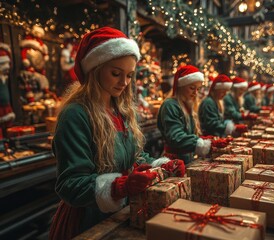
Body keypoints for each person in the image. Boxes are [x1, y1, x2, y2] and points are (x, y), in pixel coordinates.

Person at [49, 27, 184, 240]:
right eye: (116, 73)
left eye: (129, 75)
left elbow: (133, 157)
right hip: (87, 221)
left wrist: (159, 166)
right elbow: (70, 184)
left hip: (120, 214)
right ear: (95, 68)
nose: (124, 82)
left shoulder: (120, 111)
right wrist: (119, 185)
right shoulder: (76, 115)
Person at [157, 65, 211, 164]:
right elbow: (176, 137)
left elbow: (188, 135)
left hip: (186, 160)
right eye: (192, 88)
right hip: (173, 162)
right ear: (181, 86)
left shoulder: (188, 106)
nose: (195, 92)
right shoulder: (170, 105)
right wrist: (200, 143)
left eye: (198, 89)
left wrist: (204, 140)